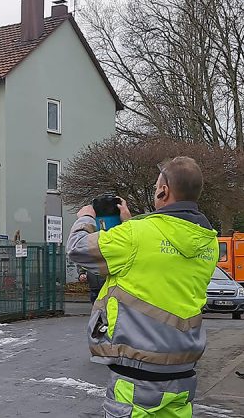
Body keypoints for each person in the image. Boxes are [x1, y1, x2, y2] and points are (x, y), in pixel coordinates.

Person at [67, 156, 218, 418]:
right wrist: (131, 222)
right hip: (182, 372)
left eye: (156, 186)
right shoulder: (208, 242)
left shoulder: (136, 235)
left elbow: (77, 248)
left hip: (137, 376)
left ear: (163, 190)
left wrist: (85, 218)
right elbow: (161, 258)